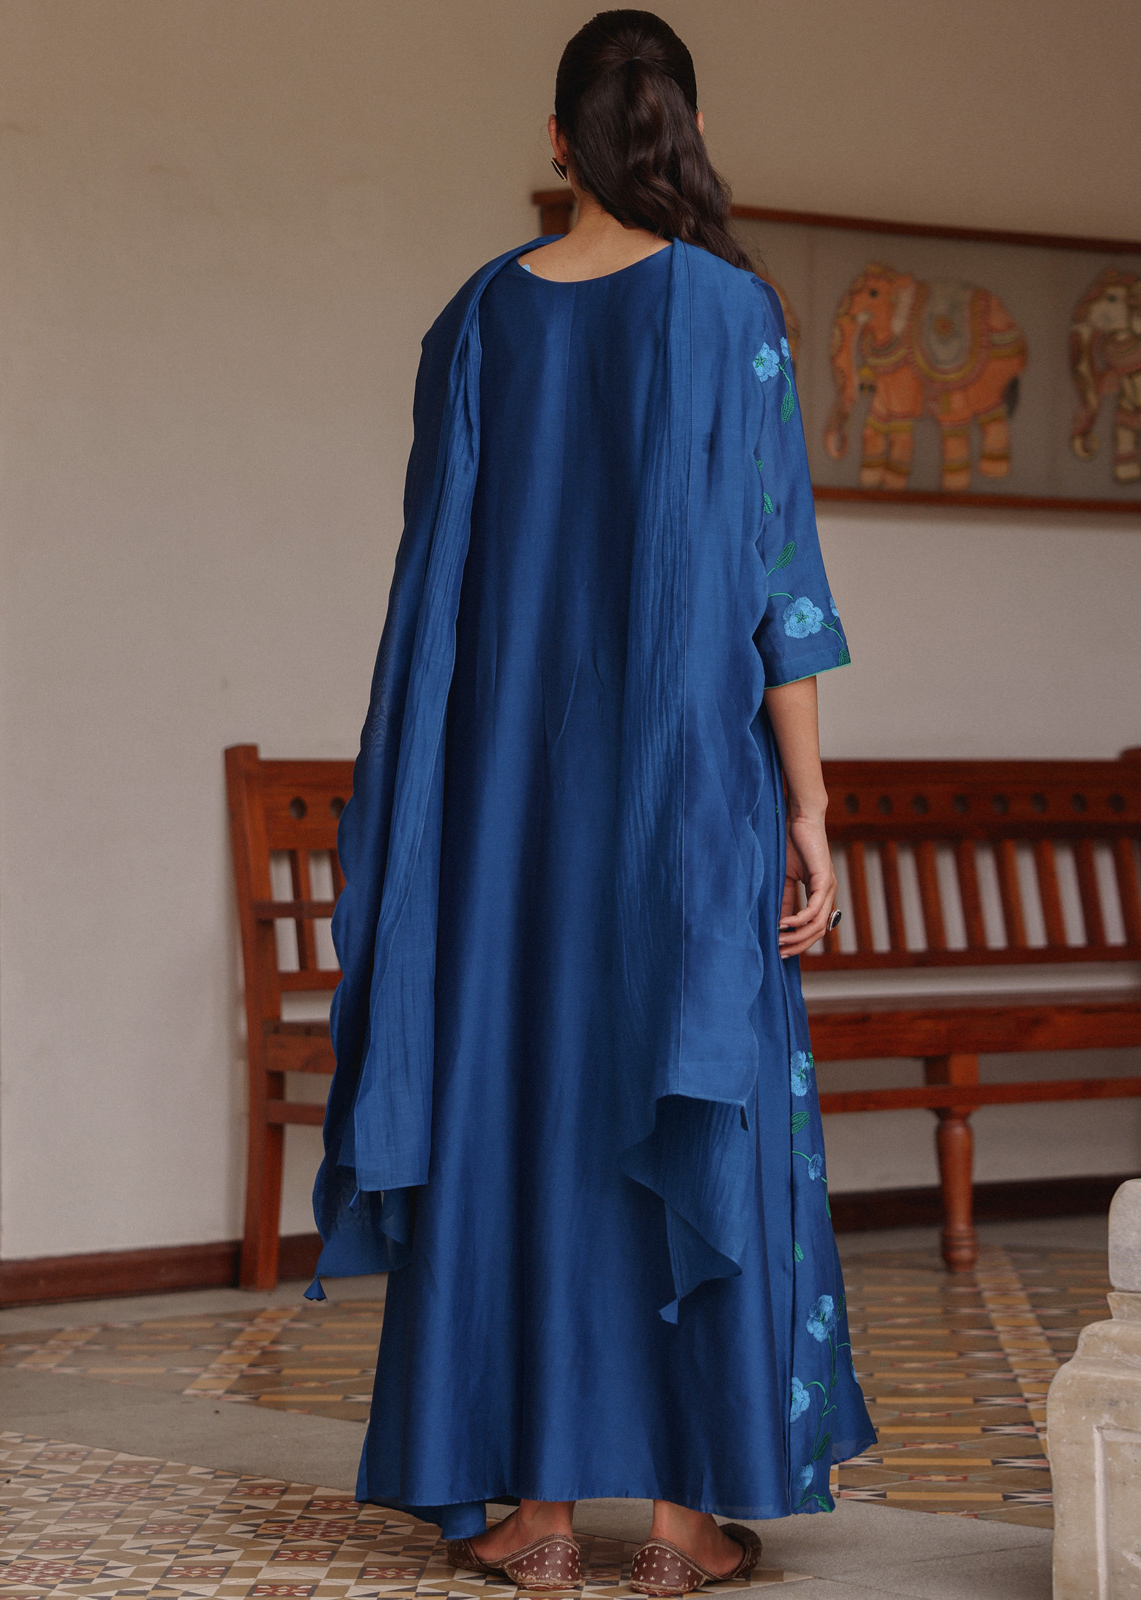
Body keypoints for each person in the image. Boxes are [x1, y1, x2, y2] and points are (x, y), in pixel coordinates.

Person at [308, 9, 875, 1594]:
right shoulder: (731, 313)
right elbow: (777, 588)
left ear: (557, 140)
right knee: (691, 1098)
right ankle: (688, 1529)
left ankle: (541, 1518)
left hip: (500, 817)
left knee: (526, 1113)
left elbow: (435, 594)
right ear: (680, 130)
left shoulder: (480, 319)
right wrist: (811, 808)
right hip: (684, 806)